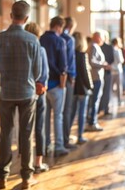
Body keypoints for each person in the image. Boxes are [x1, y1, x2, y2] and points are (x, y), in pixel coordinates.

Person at [0, 0, 41, 189]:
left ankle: (2, 175)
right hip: (27, 92)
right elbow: (37, 72)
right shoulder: (32, 40)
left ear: (11, 16)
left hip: (6, 92)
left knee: (6, 133)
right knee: (26, 134)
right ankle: (26, 178)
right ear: (27, 18)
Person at [40, 16, 69, 157]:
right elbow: (63, 65)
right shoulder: (60, 41)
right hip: (57, 83)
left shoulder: (40, 39)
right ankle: (59, 146)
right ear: (58, 26)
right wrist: (63, 82)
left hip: (43, 84)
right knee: (58, 116)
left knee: (45, 117)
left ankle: (45, 145)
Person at [24, 22, 50, 174]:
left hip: (25, 92)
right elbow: (44, 74)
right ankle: (38, 162)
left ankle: (25, 161)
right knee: (39, 127)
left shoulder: (23, 48)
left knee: (25, 128)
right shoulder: (40, 49)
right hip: (39, 92)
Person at [72, 32, 93, 144]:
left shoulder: (70, 54)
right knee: (81, 113)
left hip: (72, 88)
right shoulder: (82, 55)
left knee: (71, 113)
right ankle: (79, 135)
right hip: (82, 88)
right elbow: (85, 73)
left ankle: (68, 135)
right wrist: (90, 86)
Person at [86, 32, 110, 131]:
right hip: (95, 77)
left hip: (98, 76)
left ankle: (92, 121)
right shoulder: (93, 46)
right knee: (95, 101)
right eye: (102, 37)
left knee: (94, 100)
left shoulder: (95, 46)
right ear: (97, 37)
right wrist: (103, 65)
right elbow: (92, 62)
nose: (103, 40)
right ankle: (92, 122)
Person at [62, 17, 78, 149]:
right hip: (66, 78)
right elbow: (70, 61)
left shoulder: (53, 37)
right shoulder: (69, 39)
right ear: (71, 26)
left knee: (56, 114)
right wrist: (72, 77)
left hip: (52, 79)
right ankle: (65, 140)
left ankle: (53, 141)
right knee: (67, 110)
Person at [99, 33, 115, 115]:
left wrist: (106, 65)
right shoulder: (97, 47)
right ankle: (103, 108)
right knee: (105, 91)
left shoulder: (108, 47)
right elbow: (112, 59)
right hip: (102, 71)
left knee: (104, 91)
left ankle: (102, 108)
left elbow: (112, 59)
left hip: (105, 70)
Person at [111, 38, 124, 106]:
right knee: (119, 87)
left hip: (111, 70)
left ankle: (109, 102)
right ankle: (119, 101)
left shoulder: (110, 50)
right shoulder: (118, 50)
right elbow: (121, 60)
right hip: (118, 70)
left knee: (110, 87)